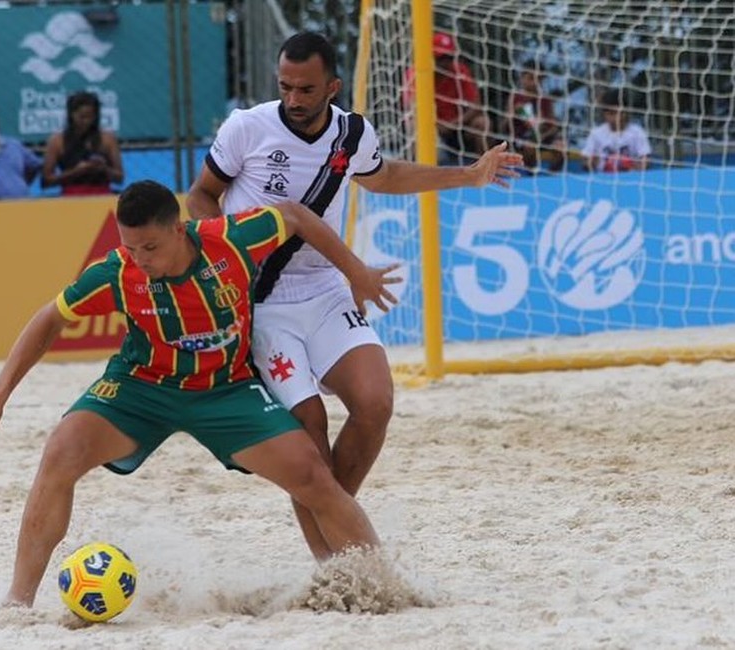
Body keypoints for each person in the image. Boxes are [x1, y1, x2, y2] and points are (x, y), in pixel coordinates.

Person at [0, 179, 400, 606]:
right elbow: (49, 317)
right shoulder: (118, 271)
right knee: (60, 452)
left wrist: (355, 272)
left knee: (312, 474)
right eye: (131, 247)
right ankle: (18, 601)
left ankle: (377, 584)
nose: (140, 258)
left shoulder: (230, 239)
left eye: (150, 247)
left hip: (226, 390)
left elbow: (296, 215)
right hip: (141, 388)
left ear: (178, 228)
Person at [187, 31, 523, 562]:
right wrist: (225, 252)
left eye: (306, 89)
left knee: (375, 403)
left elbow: (383, 175)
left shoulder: (352, 135)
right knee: (310, 432)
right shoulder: (247, 128)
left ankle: (336, 531)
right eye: (285, 87)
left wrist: (468, 174)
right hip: (262, 301)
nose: (293, 100)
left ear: (333, 87)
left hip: (324, 288)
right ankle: (336, 564)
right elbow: (202, 194)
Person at [402, 31, 490, 162]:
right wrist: (436, 125)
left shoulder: (460, 71)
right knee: (412, 124)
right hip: (430, 126)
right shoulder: (416, 74)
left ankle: (485, 167)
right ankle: (420, 167)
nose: (446, 62)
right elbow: (413, 109)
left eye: (450, 57)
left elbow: (476, 105)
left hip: (457, 124)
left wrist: (453, 124)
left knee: (482, 122)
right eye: (441, 58)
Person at [42, 91, 124, 196]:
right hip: (71, 196)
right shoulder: (57, 141)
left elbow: (119, 177)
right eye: (82, 117)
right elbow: (46, 181)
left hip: (102, 194)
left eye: (90, 117)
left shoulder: (107, 139)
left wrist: (103, 169)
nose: (86, 121)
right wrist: (75, 172)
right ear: (71, 114)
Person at [507, 63, 566, 172]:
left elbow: (553, 126)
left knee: (560, 146)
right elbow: (509, 124)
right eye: (531, 78)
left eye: (539, 79)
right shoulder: (515, 97)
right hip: (522, 137)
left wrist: (543, 135)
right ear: (522, 78)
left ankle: (553, 175)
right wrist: (518, 113)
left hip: (542, 136)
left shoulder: (544, 99)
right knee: (530, 147)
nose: (535, 83)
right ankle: (531, 174)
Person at [582, 88, 652, 173]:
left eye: (620, 112)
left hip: (631, 178)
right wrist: (592, 162)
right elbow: (586, 161)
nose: (617, 117)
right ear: (604, 114)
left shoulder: (637, 132)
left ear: (626, 112)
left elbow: (645, 159)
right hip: (603, 179)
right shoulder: (596, 133)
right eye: (612, 113)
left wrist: (634, 166)